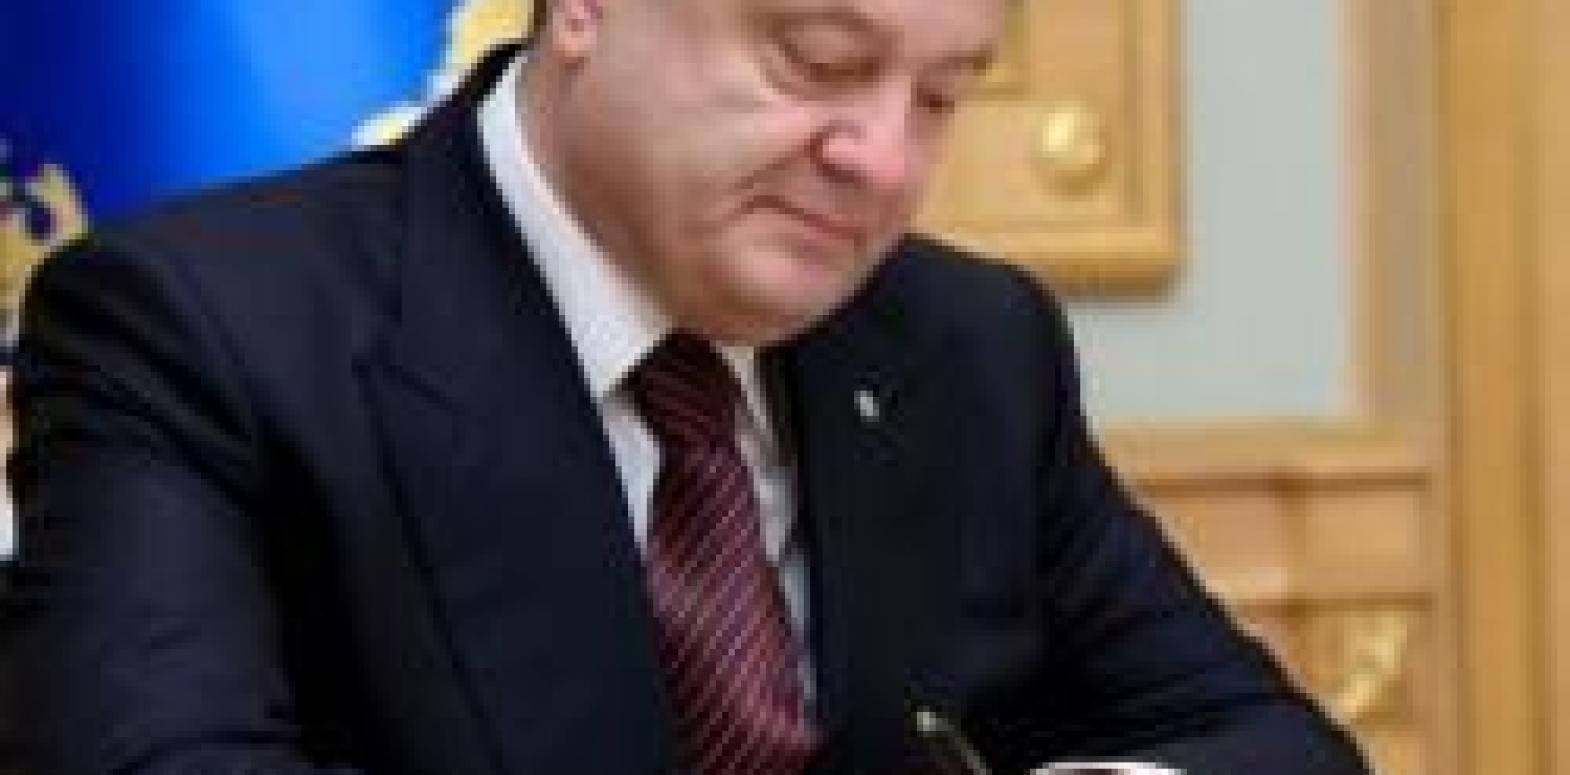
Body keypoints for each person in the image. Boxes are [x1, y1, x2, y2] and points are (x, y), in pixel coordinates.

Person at [0, 0, 1371, 772]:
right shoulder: (202, 331)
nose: (884, 160)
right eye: (819, 64)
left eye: (940, 97)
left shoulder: (969, 346)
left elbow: (1269, 747)